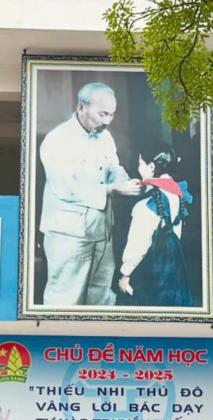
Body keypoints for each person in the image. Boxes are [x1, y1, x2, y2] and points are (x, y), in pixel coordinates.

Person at [35, 79, 142, 307]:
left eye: (111, 115)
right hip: (68, 235)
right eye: (102, 114)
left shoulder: (105, 136)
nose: (107, 121)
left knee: (102, 297)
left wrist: (125, 181)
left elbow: (113, 167)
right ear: (81, 107)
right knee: (65, 298)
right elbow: (65, 187)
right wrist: (113, 188)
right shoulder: (57, 139)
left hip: (102, 232)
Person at [115, 151, 192, 306]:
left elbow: (138, 245)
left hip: (151, 267)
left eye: (140, 164)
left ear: (151, 167)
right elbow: (177, 233)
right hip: (174, 263)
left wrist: (125, 274)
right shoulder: (177, 193)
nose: (138, 169)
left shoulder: (146, 204)